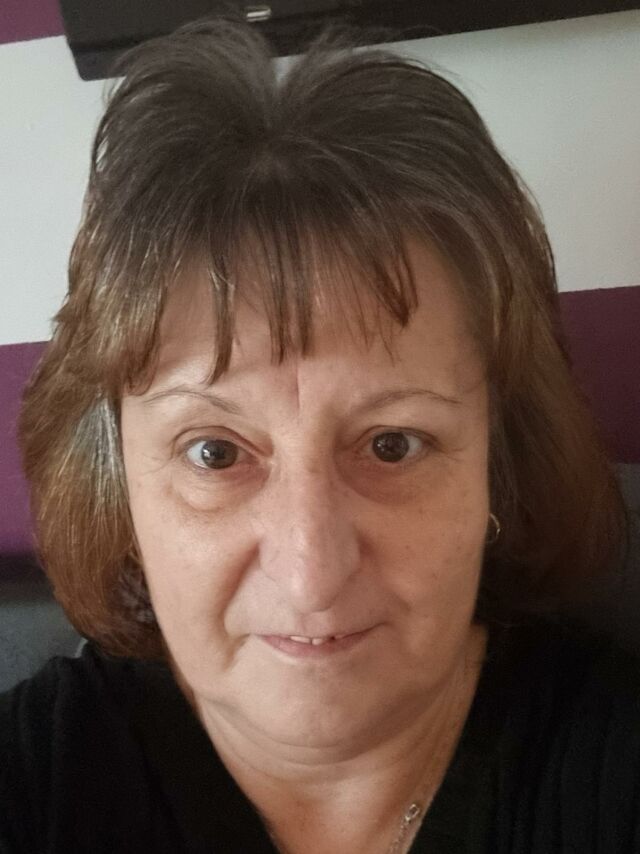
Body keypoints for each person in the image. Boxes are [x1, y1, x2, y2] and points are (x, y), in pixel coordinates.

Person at [1, 16, 638, 854]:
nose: (311, 573)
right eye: (215, 452)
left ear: (497, 462)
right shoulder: (35, 784)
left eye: (392, 444)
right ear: (118, 486)